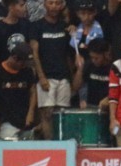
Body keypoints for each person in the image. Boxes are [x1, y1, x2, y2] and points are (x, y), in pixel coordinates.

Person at [31, 0, 75, 139]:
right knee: (47, 113)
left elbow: (69, 55)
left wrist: (72, 78)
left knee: (63, 114)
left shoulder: (65, 27)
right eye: (51, 3)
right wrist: (41, 77)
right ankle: (50, 145)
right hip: (46, 76)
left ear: (62, 5)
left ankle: (63, 145)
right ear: (45, 4)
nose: (54, 6)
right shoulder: (36, 26)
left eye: (57, 3)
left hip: (64, 77)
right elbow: (35, 54)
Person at [0, 42, 38, 139]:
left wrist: (31, 113)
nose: (24, 66)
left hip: (26, 121)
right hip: (6, 121)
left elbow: (33, 92)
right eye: (23, 63)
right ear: (15, 58)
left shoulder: (28, 72)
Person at [0, 0, 32, 67]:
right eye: (21, 5)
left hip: (22, 69)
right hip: (4, 69)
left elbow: (30, 49)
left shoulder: (26, 24)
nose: (25, 9)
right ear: (11, 7)